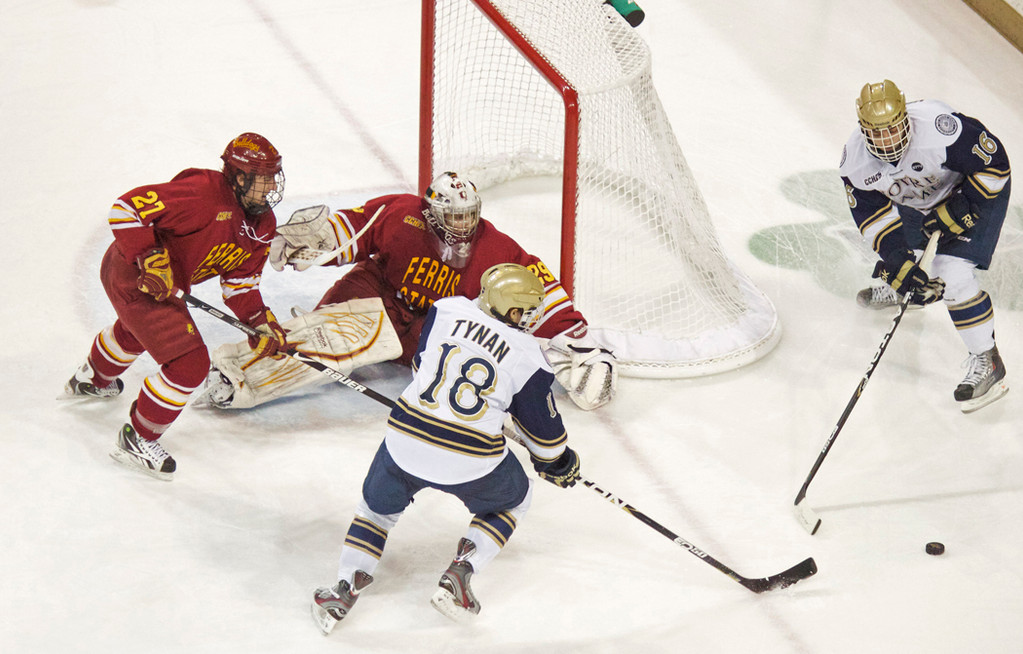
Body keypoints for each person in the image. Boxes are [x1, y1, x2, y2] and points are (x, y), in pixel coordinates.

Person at [200, 171, 617, 412]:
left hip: (433, 324)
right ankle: (238, 377)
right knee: (339, 335)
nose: (463, 225)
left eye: (469, 215)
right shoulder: (403, 214)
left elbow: (537, 289)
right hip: (380, 292)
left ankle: (333, 335)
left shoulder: (496, 248)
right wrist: (316, 239)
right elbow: (354, 230)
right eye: (453, 216)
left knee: (460, 364)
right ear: (430, 213)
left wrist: (576, 342)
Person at [310, 263, 581, 633]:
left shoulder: (447, 309)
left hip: (405, 438)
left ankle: (343, 590)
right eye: (528, 311)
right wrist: (560, 463)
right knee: (514, 499)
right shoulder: (530, 356)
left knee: (375, 512)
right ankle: (461, 572)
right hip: (470, 460)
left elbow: (422, 366)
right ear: (515, 312)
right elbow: (548, 444)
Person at [63, 133, 289, 479]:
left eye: (275, 175)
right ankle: (138, 439)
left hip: (162, 286)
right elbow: (126, 209)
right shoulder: (202, 194)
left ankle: (92, 378)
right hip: (135, 275)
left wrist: (259, 322)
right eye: (264, 177)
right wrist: (149, 257)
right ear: (239, 176)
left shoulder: (262, 225)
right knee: (189, 363)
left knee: (138, 332)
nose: (272, 185)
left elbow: (240, 285)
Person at [840, 79, 1010, 412]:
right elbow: (874, 217)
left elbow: (995, 163)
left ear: (905, 118)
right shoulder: (854, 164)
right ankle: (910, 293)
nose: (887, 141)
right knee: (908, 264)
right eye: (877, 133)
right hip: (921, 198)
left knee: (951, 275)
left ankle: (988, 362)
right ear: (863, 130)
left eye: (893, 129)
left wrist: (967, 203)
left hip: (976, 193)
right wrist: (896, 258)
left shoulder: (939, 129)